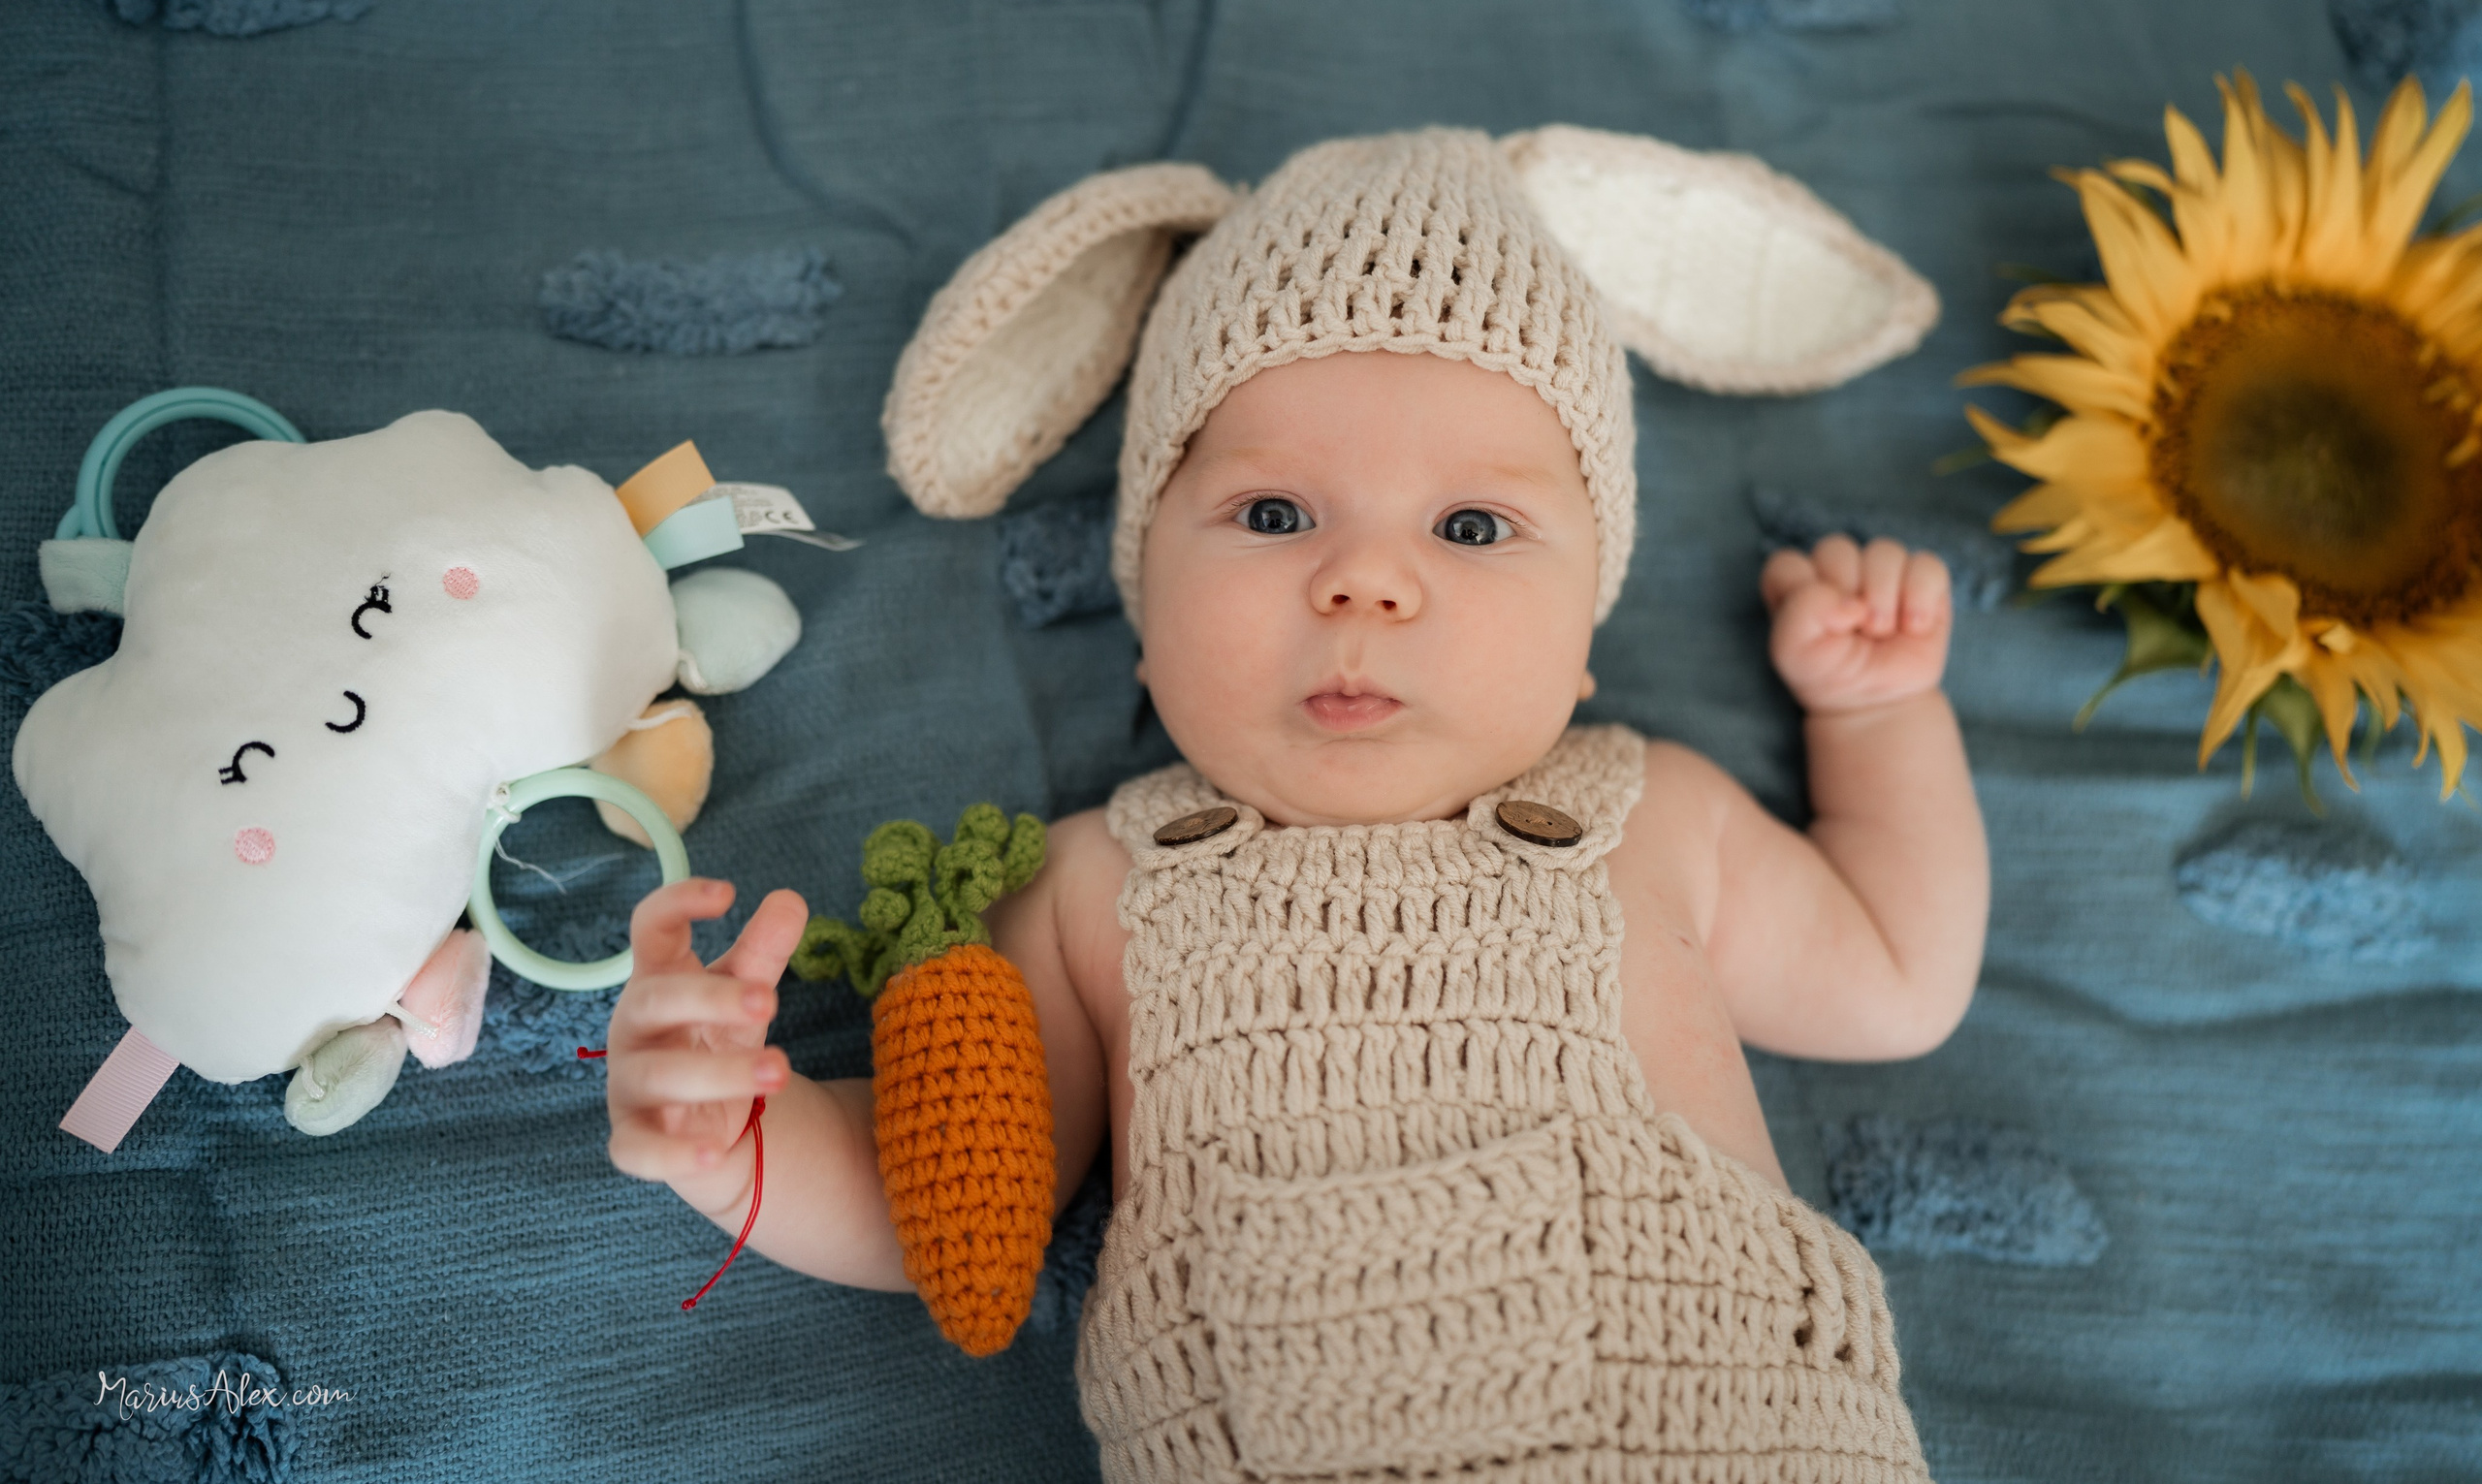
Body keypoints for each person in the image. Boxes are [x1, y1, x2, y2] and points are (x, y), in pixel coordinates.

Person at [600, 131, 1985, 1481]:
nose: (1365, 581)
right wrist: (743, 1141)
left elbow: (1898, 975)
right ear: (1145, 611)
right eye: (1274, 517)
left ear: (1585, 638)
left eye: (1473, 528)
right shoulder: (1093, 888)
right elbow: (954, 1210)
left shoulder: (1653, 819)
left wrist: (1874, 717)